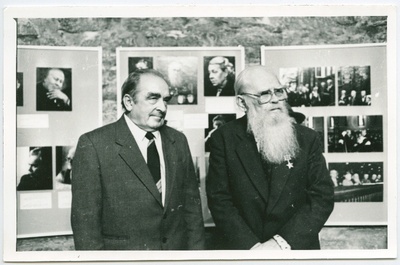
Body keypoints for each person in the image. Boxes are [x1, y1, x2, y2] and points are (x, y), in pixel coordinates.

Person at [71, 69, 205, 250]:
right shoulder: (94, 144)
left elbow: (192, 210)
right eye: (153, 98)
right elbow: (86, 225)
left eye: (165, 100)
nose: (162, 107)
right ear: (128, 102)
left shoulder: (178, 141)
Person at [206, 66, 334, 250]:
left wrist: (280, 243)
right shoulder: (224, 138)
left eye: (279, 91)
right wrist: (253, 248)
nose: (275, 99)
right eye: (264, 94)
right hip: (245, 252)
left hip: (294, 249)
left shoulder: (307, 138)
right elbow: (219, 200)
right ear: (242, 103)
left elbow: (322, 197)